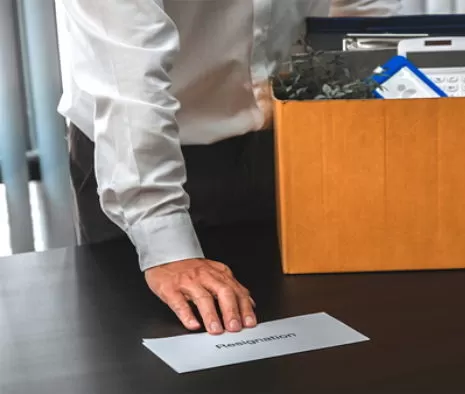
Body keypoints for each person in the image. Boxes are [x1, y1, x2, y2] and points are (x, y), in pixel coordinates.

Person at [57, 0, 401, 335]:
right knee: (148, 352)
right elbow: (129, 74)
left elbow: (362, 12)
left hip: (292, 136)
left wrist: (359, 138)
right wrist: (165, 243)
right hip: (139, 156)